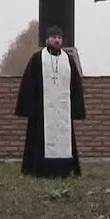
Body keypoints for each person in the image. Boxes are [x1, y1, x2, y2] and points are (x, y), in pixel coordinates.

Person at [15, 25, 85, 178]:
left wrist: (77, 108)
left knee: (64, 139)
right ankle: (39, 170)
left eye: (59, 37)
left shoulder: (68, 60)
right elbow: (28, 83)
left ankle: (65, 170)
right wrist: (30, 107)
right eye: (54, 37)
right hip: (43, 110)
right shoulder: (37, 58)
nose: (57, 40)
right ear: (47, 39)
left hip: (62, 110)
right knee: (39, 140)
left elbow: (75, 84)